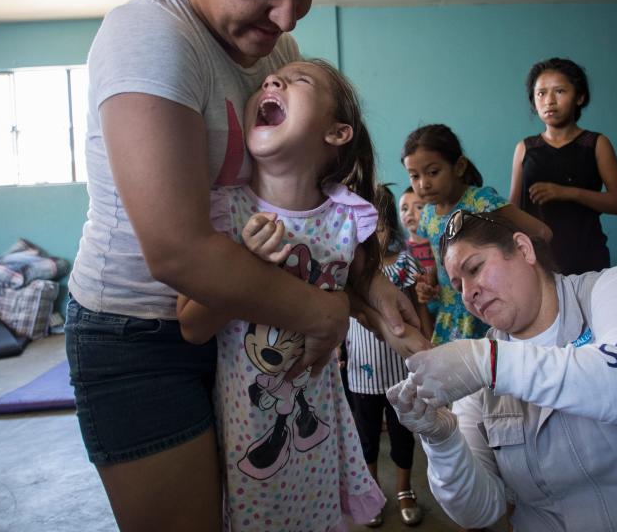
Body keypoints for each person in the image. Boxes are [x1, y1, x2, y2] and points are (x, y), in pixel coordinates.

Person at [64, 0, 418, 530]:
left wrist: (367, 285)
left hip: (247, 324)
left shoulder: (276, 55)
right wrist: (325, 311)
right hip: (140, 339)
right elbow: (178, 251)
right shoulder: (150, 37)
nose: (285, 14)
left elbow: (302, 195)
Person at [176, 60, 429, 530]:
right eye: (271, 81)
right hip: (246, 433)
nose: (272, 81)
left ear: (337, 133)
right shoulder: (225, 210)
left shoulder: (347, 217)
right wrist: (245, 261)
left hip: (321, 430)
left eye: (299, 81)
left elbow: (367, 303)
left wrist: (425, 353)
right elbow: (191, 324)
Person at [388, 210, 617, 531]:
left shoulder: (615, 289)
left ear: (524, 249)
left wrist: (490, 362)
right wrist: (443, 440)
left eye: (475, 268)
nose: (469, 294)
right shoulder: (478, 376)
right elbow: (478, 511)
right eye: (458, 285)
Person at [402, 124, 551, 345]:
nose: (423, 183)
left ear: (459, 166)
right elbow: (439, 263)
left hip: (488, 307)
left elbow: (542, 233)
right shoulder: (428, 216)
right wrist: (429, 283)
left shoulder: (480, 202)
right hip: (451, 316)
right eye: (414, 176)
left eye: (433, 172)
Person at [345, 184, 431, 528]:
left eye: (377, 228)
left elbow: (418, 310)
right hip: (361, 374)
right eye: (363, 231)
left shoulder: (404, 264)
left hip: (399, 372)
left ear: (389, 226)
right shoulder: (347, 267)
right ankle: (373, 492)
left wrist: (426, 345)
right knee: (366, 438)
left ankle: (404, 490)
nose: (371, 238)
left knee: (401, 435)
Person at [509, 58, 617, 274]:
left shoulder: (596, 144)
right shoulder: (525, 148)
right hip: (538, 262)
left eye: (559, 91)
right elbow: (513, 210)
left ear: (580, 97)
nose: (549, 101)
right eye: (541, 93)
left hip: (587, 258)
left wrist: (568, 192)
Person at [399, 186, 435, 274]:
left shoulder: (440, 244)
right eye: (404, 209)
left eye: (419, 207)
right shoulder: (401, 251)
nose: (409, 213)